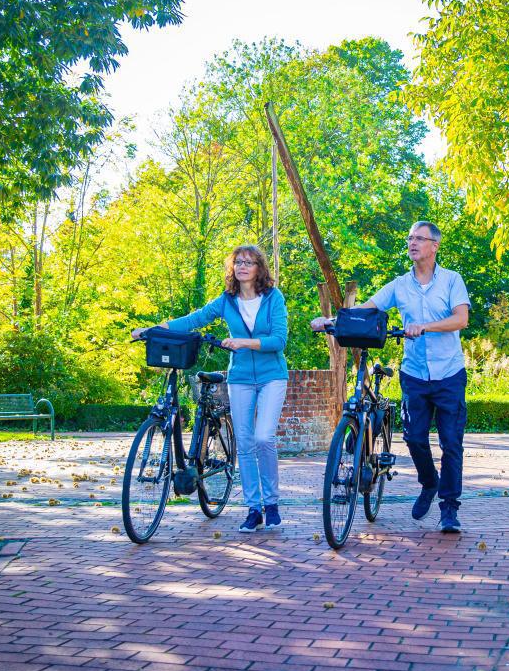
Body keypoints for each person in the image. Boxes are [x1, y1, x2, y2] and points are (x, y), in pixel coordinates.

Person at [311, 221, 470, 533]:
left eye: (420, 238)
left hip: (449, 373)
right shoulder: (400, 285)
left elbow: (460, 319)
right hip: (415, 373)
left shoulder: (452, 280)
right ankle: (429, 481)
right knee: (414, 438)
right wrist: (329, 321)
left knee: (451, 443)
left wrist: (424, 326)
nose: (413, 243)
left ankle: (449, 508)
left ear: (434, 246)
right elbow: (366, 310)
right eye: (410, 238)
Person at [134, 245, 288, 533]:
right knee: (244, 442)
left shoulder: (273, 298)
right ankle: (253, 509)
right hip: (240, 377)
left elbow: (279, 340)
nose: (242, 266)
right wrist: (153, 329)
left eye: (249, 262)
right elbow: (194, 319)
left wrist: (243, 342)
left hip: (272, 376)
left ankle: (271, 503)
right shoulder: (227, 300)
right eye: (238, 262)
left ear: (259, 268)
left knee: (263, 437)